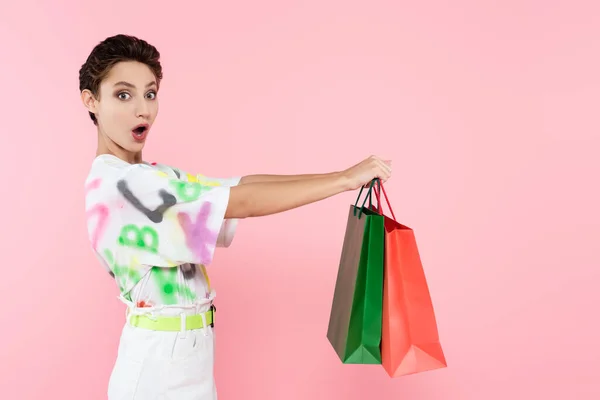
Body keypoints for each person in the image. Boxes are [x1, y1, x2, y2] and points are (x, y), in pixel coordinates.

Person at [80, 34, 392, 400]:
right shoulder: (120, 185)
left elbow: (241, 185)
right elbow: (240, 201)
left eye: (150, 94)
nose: (143, 110)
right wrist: (342, 181)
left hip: (188, 355)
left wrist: (340, 175)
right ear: (91, 101)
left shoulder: (157, 176)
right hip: (156, 365)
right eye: (123, 94)